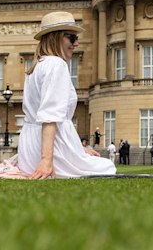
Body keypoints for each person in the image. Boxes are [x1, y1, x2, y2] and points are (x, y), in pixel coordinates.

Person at [17, 11, 116, 179]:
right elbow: (50, 116)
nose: (76, 43)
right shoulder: (57, 65)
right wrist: (46, 160)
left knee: (96, 161)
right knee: (107, 167)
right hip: (48, 149)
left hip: (29, 150)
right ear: (55, 37)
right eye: (71, 38)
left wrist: (77, 148)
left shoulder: (35, 66)